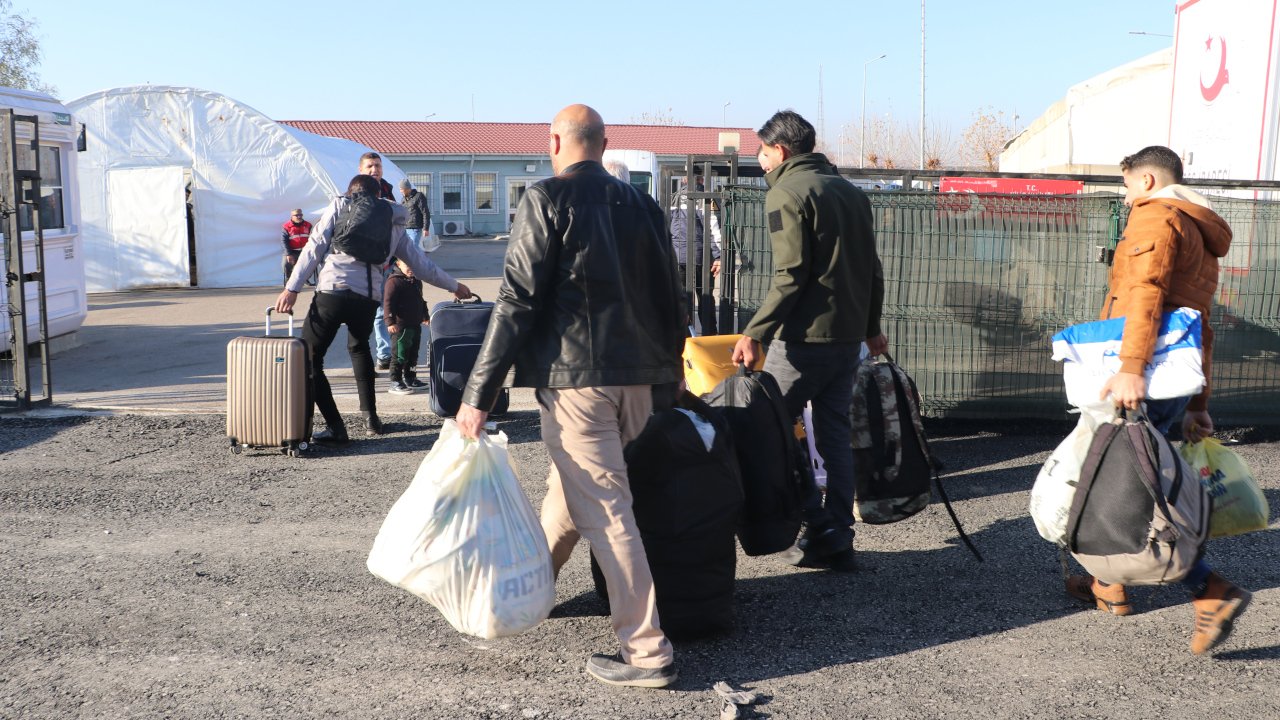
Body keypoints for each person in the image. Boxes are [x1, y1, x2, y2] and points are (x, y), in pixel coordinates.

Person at [455, 104, 683, 689]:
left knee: (605, 512)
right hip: (640, 380)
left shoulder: (546, 198)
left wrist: (478, 394)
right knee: (572, 495)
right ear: (604, 145)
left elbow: (516, 300)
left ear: (555, 141)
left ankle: (647, 650)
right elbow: (670, 293)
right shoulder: (644, 205)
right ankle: (528, 593)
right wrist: (670, 376)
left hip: (579, 381)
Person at [1065, 145, 1249, 656]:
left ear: (1146, 180)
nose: (1124, 198)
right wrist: (1198, 402)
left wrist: (1128, 369)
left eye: (1125, 186)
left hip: (1137, 374)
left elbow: (1143, 293)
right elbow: (1199, 325)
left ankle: (1208, 590)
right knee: (1133, 480)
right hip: (1169, 378)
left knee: (1106, 479)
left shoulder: (1156, 216)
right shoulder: (1197, 228)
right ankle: (1109, 586)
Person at [731, 109, 888, 572]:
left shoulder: (786, 192)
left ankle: (812, 523)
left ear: (779, 150)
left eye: (761, 152)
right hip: (847, 341)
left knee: (766, 429)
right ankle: (837, 531)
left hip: (803, 341)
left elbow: (790, 276)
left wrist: (754, 334)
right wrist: (871, 328)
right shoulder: (851, 194)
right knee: (835, 435)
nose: (760, 162)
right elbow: (873, 272)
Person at [274, 174, 472, 444]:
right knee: (359, 349)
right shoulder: (392, 220)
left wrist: (292, 288)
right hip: (367, 298)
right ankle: (371, 420)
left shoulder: (340, 206)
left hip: (332, 293)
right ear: (379, 195)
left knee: (309, 358)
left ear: (350, 193)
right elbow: (421, 264)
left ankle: (335, 426)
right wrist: (454, 285)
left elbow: (314, 249)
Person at [359, 152, 397, 371]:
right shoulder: (356, 193)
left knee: (387, 309)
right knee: (370, 311)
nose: (375, 170)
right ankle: (378, 354)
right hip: (366, 263)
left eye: (378, 166)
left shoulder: (388, 190)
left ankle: (386, 355)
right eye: (370, 166)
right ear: (362, 170)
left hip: (389, 260)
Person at [669, 177, 721, 333]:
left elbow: (668, 226)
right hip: (701, 257)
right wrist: (718, 256)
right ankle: (710, 335)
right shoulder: (706, 198)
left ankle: (685, 337)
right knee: (705, 296)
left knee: (684, 297)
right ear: (702, 178)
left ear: (685, 179)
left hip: (678, 256)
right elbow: (713, 229)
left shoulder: (675, 197)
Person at [383, 256, 429, 395]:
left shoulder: (416, 281)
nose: (411, 269)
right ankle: (395, 381)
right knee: (399, 355)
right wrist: (390, 322)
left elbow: (421, 300)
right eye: (407, 265)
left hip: (415, 324)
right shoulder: (394, 282)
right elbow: (388, 303)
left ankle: (411, 378)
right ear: (398, 264)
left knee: (413, 354)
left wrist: (424, 315)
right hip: (400, 327)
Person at [400, 179, 434, 254]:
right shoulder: (403, 199)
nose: (401, 191)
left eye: (402, 189)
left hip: (415, 229)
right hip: (405, 229)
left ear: (408, 188)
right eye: (400, 189)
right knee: (408, 250)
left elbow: (425, 212)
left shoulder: (418, 196)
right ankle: (418, 262)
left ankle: (417, 264)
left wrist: (426, 228)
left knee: (412, 250)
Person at [280, 209, 312, 287]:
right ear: (292, 216)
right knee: (286, 264)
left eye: (300, 215)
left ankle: (304, 279)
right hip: (292, 251)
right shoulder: (286, 226)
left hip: (305, 251)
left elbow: (313, 238)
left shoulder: (308, 225)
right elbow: (284, 241)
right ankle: (289, 279)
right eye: (297, 215)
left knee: (308, 264)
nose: (299, 217)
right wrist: (288, 254)